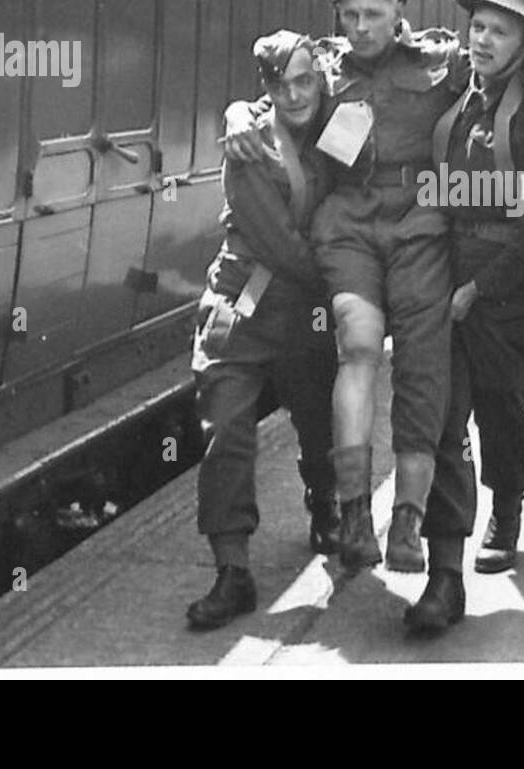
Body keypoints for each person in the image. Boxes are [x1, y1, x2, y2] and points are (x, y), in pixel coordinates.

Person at [221, 0, 524, 583]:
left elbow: (502, 55)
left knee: (425, 367)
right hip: (348, 223)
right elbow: (275, 100)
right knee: (358, 345)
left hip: (421, 224)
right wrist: (241, 112)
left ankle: (407, 519)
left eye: (375, 11)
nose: (362, 26)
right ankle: (353, 514)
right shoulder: (321, 66)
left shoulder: (441, 60)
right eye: (349, 14)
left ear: (401, 8)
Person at [405, 0, 524, 633]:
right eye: (477, 26)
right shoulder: (460, 95)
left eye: (499, 30)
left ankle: (509, 500)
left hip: (504, 293)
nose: (481, 37)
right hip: (448, 279)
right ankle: (445, 578)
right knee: (448, 423)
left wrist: (481, 287)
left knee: (503, 410)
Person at [186, 31, 339, 630]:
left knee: (319, 420)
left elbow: (358, 194)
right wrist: (347, 276)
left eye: (305, 81)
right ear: (266, 89)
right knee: (226, 428)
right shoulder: (247, 139)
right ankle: (232, 570)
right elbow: (281, 243)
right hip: (247, 299)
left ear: (320, 79)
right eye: (281, 85)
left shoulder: (342, 127)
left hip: (309, 309)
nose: (295, 94)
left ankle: (324, 505)